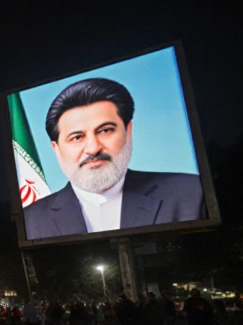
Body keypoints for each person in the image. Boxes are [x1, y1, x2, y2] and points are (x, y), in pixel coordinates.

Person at [22, 78, 206, 240]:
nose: (93, 148)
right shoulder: (31, 220)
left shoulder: (192, 193)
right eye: (77, 137)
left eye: (105, 130)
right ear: (57, 149)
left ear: (128, 131)